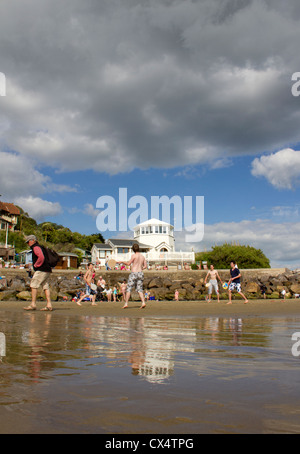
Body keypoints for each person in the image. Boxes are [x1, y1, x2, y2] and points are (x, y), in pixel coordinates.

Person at [23, 235, 53, 311]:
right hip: (47, 269)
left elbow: (41, 257)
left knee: (33, 285)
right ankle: (49, 305)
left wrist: (36, 265)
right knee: (45, 286)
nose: (28, 244)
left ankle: (33, 304)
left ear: (33, 240)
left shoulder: (36, 247)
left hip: (41, 269)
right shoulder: (41, 247)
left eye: (28, 242)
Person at [117, 243, 147, 309]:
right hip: (140, 273)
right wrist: (142, 268)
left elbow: (128, 263)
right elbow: (145, 266)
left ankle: (126, 303)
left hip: (134, 273)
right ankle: (143, 302)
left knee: (129, 288)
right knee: (139, 289)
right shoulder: (142, 256)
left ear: (133, 249)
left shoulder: (134, 255)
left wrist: (122, 261)